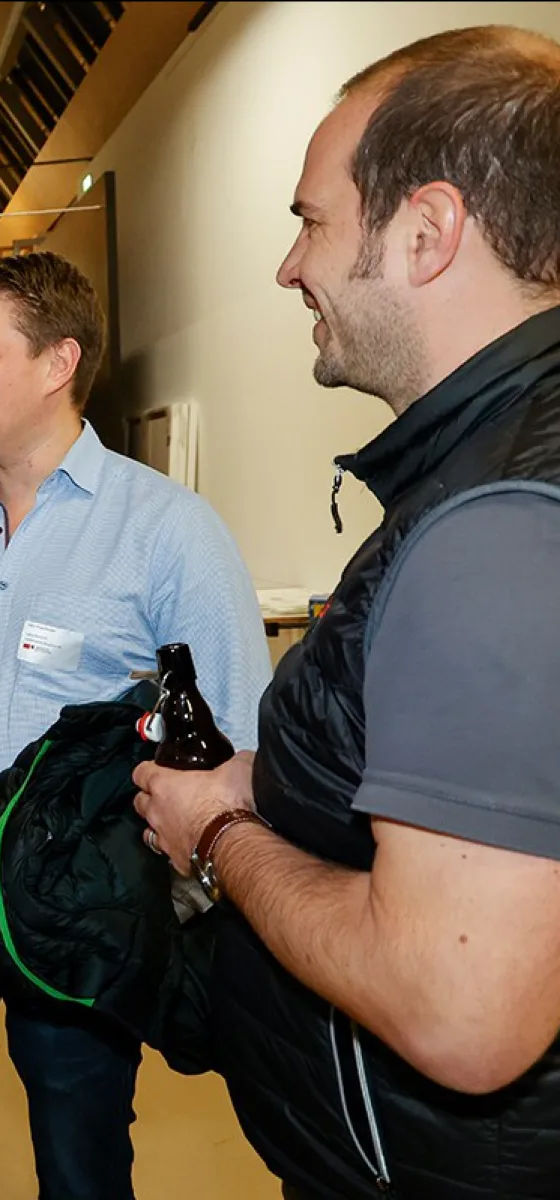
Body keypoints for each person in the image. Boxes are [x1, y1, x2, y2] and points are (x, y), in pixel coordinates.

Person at [133, 27, 560, 1200]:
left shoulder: (493, 527)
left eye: (312, 221)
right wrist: (263, 776)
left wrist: (221, 836)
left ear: (426, 234)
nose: (288, 266)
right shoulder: (486, 474)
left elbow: (463, 1009)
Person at [0, 250, 270, 1199]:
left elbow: (235, 744)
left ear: (57, 363)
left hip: (75, 903)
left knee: (81, 1168)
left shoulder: (171, 532)